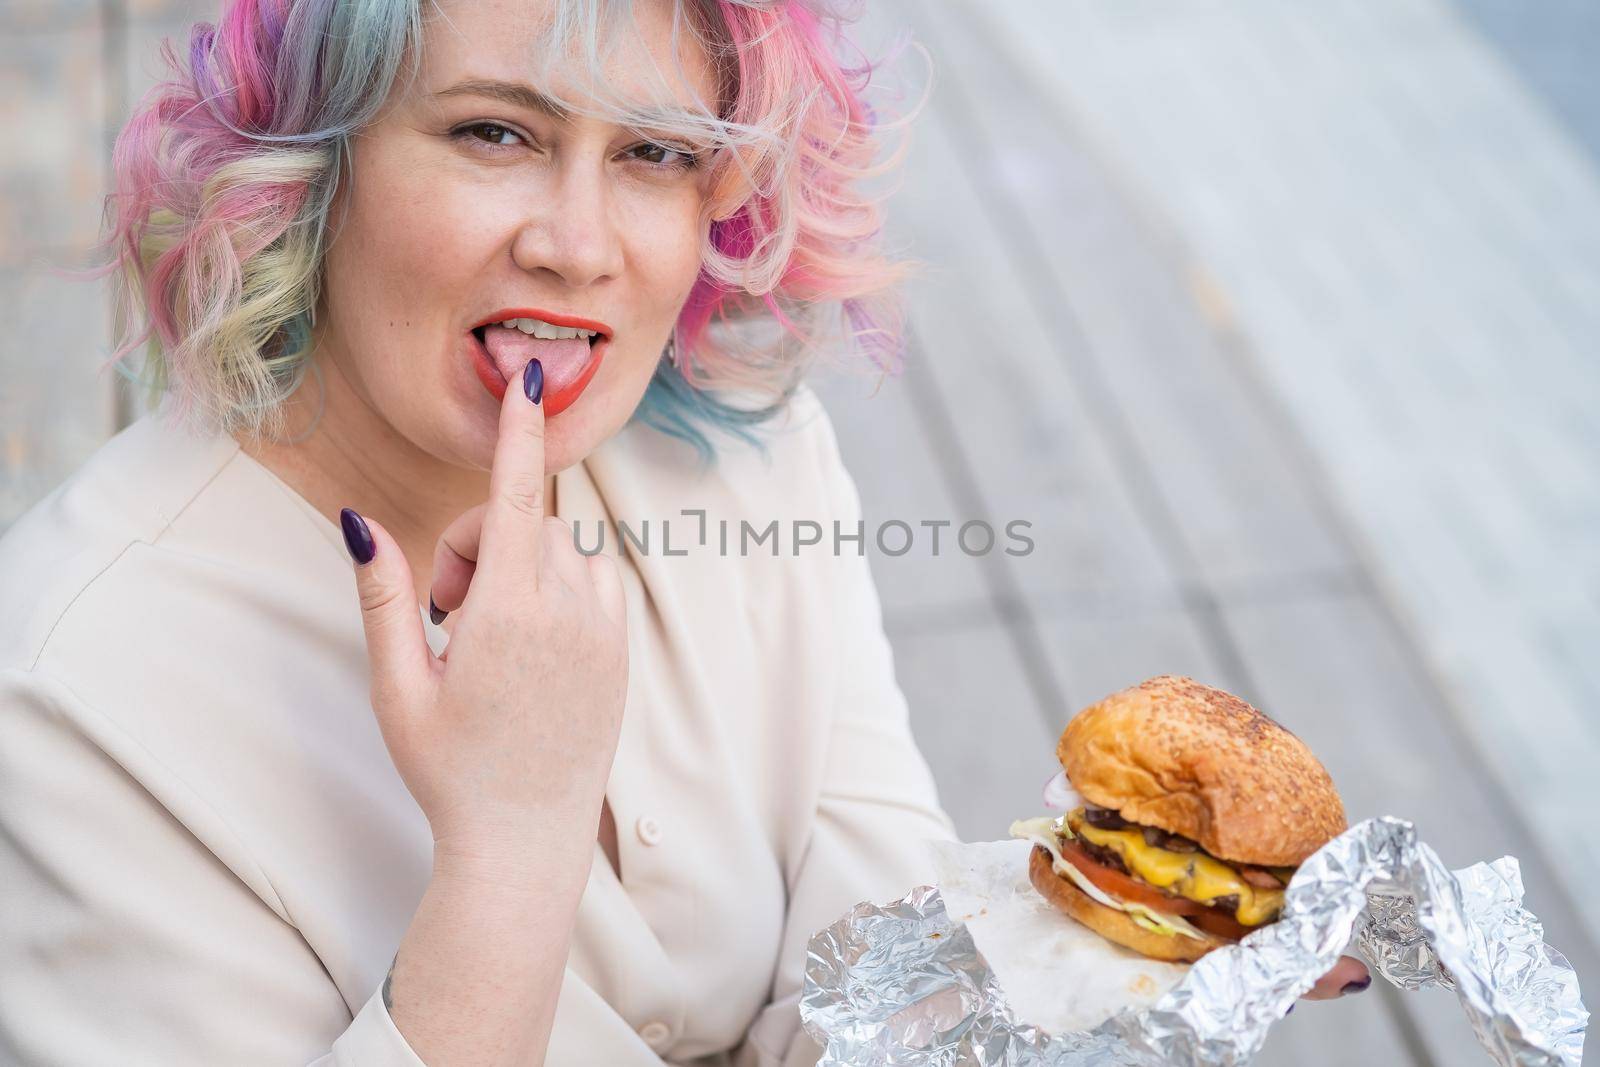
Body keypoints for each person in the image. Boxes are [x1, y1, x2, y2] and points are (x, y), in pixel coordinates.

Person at [0, 0, 1369, 1063]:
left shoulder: (754, 462)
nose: (582, 246)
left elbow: (865, 990)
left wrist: (1113, 960)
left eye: (655, 155)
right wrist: (512, 852)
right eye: (495, 132)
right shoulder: (72, 692)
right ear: (310, 162)